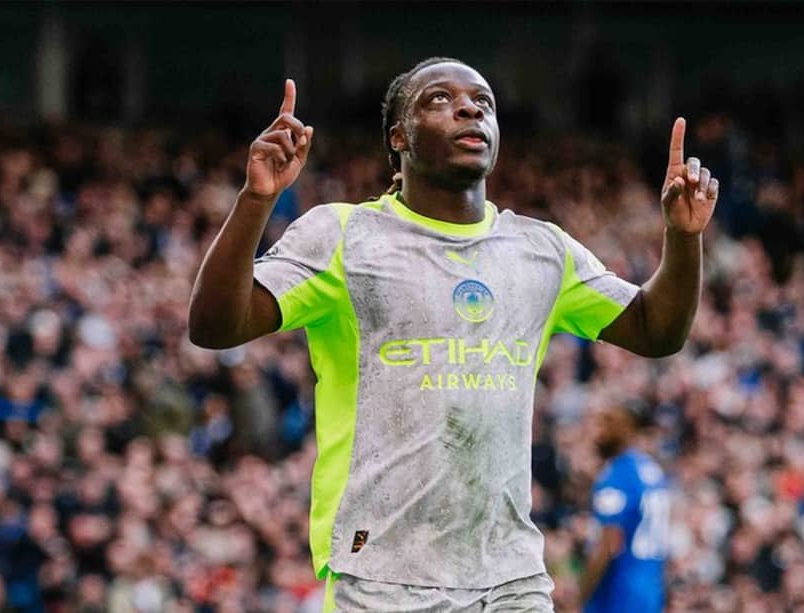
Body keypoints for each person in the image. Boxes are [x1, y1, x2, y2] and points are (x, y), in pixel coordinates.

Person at [188, 57, 718, 612]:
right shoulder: (345, 235)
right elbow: (215, 325)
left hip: (512, 579)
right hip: (382, 575)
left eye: (483, 102)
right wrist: (256, 200)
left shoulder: (541, 250)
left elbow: (657, 330)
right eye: (440, 99)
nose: (469, 109)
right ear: (398, 137)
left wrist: (683, 239)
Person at [579, 406, 669, 613]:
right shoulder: (651, 470)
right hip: (650, 589)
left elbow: (609, 545)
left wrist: (581, 596)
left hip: (619, 593)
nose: (596, 434)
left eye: (605, 425)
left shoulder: (617, 476)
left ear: (626, 429)